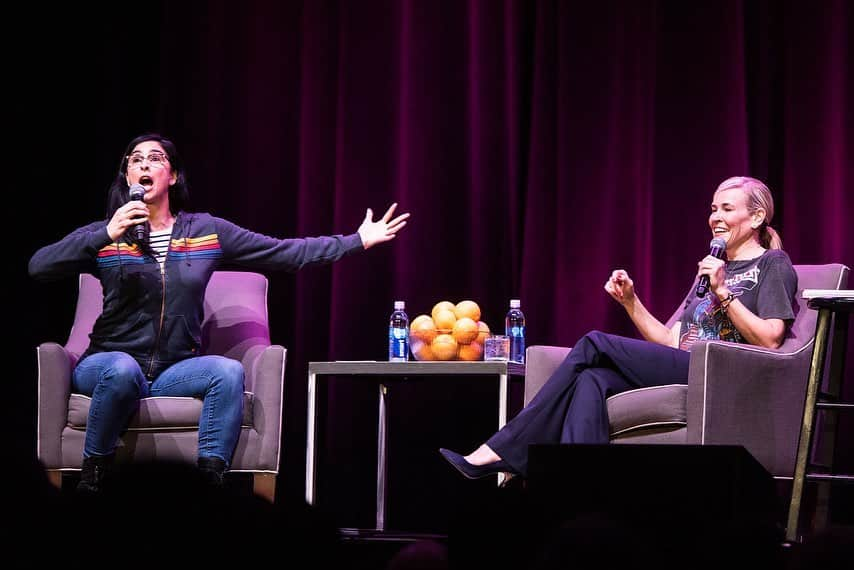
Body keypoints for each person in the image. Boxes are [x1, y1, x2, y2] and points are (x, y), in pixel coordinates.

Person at [29, 133, 410, 492]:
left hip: (170, 370)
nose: (145, 164)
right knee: (123, 370)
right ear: (128, 175)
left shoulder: (206, 231)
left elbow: (284, 252)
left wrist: (356, 241)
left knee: (226, 371)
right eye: (136, 160)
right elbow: (39, 266)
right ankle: (93, 476)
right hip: (108, 363)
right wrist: (104, 235)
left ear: (173, 176)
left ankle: (211, 485)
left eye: (156, 158)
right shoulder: (107, 233)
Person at [439, 176, 797, 479]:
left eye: (727, 209)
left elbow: (771, 338)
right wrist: (631, 302)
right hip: (686, 364)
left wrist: (722, 293)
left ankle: (501, 448)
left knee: (595, 342)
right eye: (713, 209)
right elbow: (672, 339)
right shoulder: (711, 267)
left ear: (757, 217)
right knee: (591, 378)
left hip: (721, 372)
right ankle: (578, 489)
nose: (715, 217)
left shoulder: (771, 264)